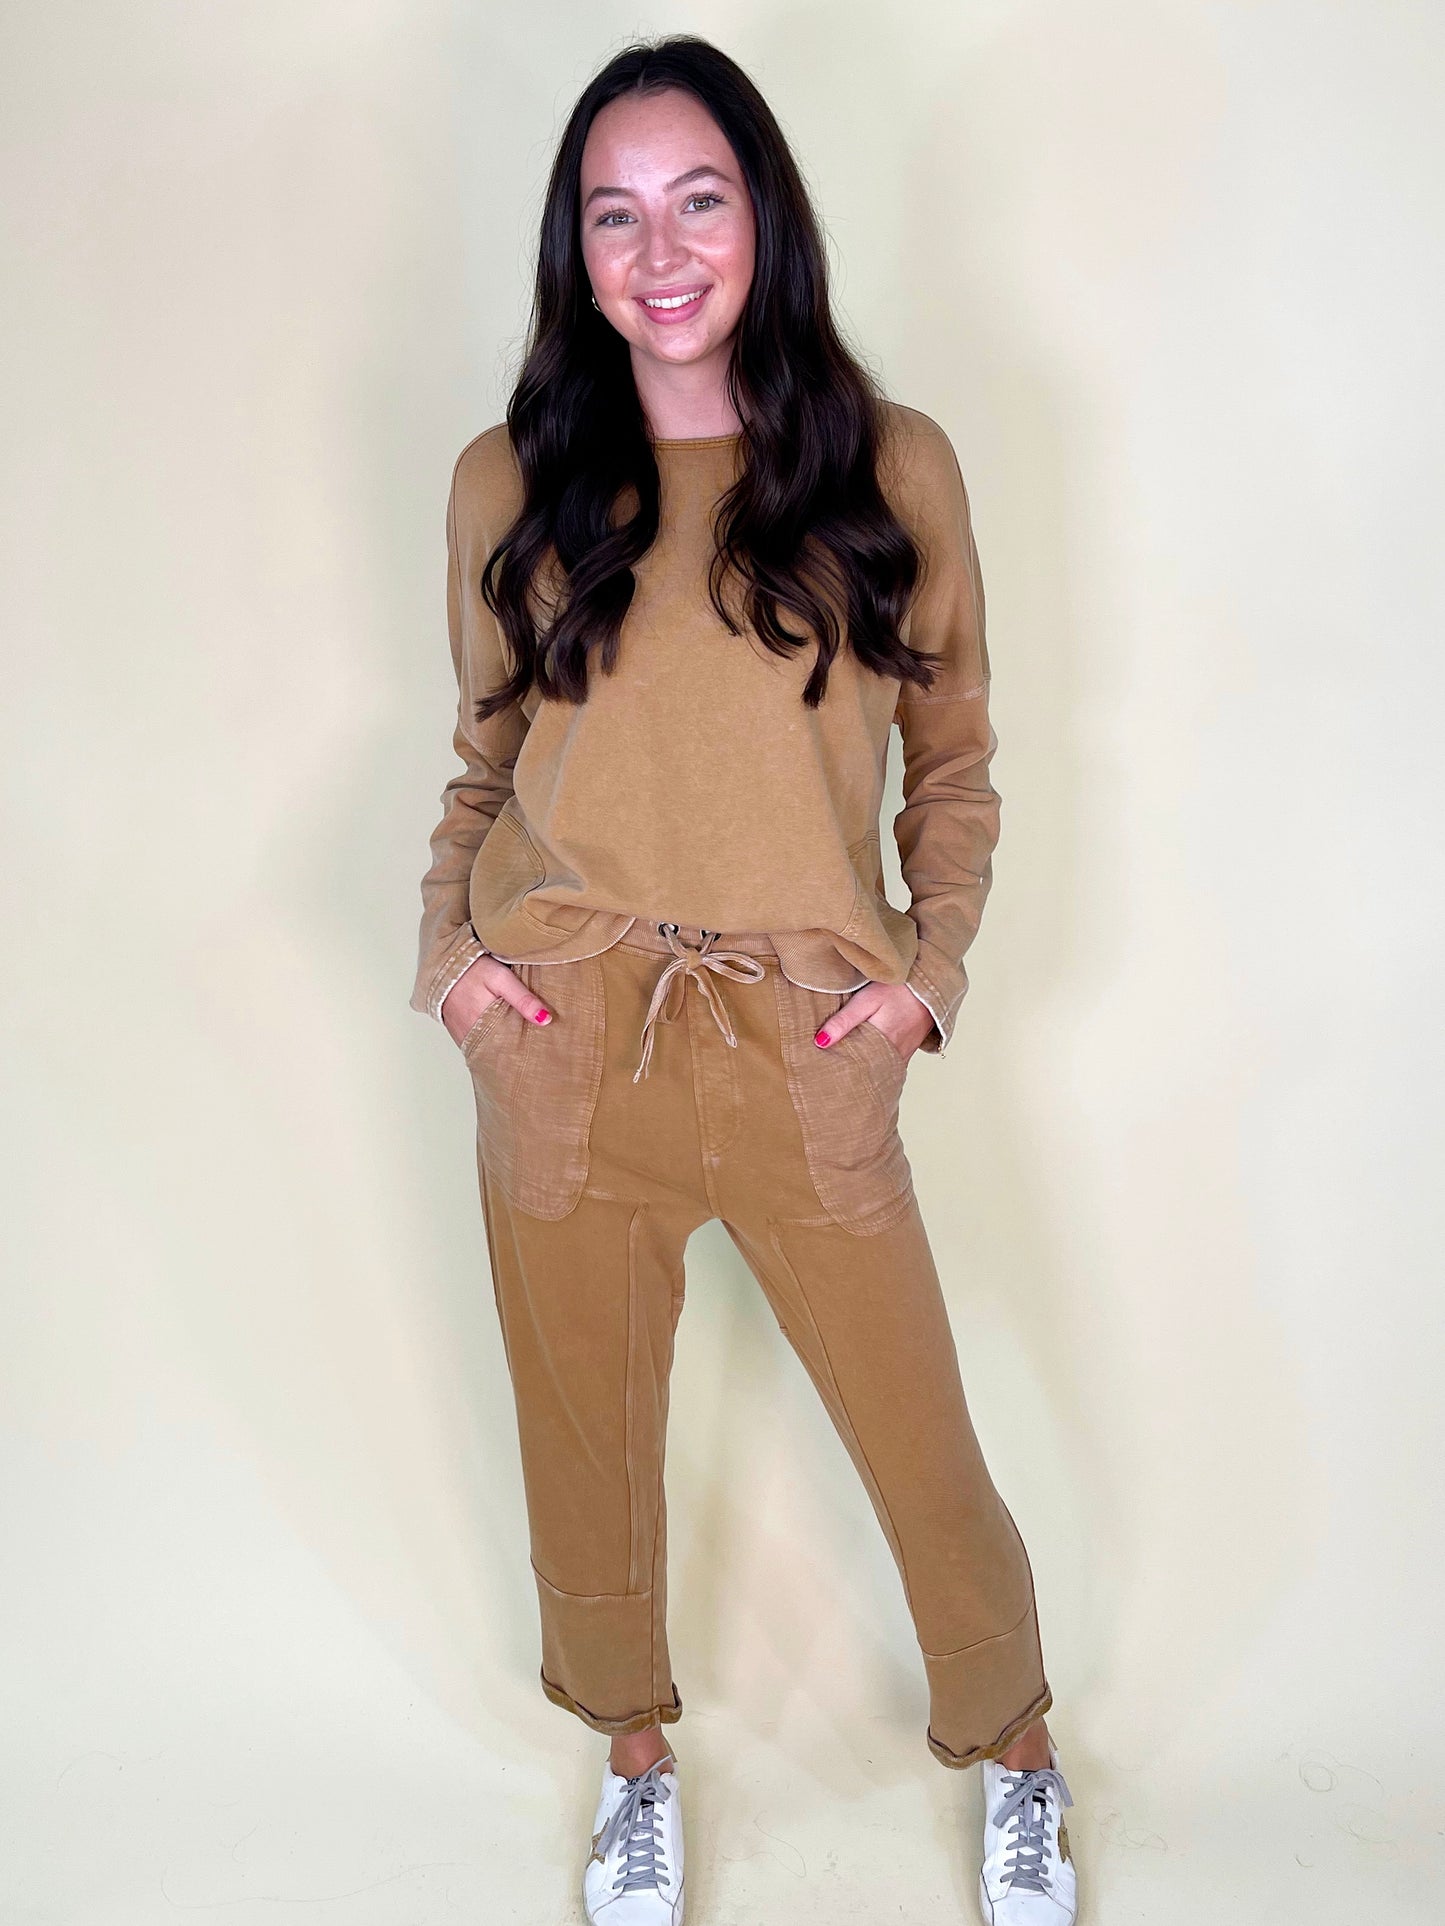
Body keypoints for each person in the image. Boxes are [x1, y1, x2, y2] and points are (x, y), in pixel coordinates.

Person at [409, 33, 1078, 1926]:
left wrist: (924, 976)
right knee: (583, 1448)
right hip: (563, 1034)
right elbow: (482, 759)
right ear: (576, 250)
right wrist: (452, 962)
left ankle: (1016, 1745)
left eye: (698, 199)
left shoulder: (888, 462)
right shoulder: (507, 480)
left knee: (918, 1438)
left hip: (802, 1040)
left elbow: (953, 763)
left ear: (763, 215)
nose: (661, 251)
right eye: (614, 215)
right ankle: (633, 1761)